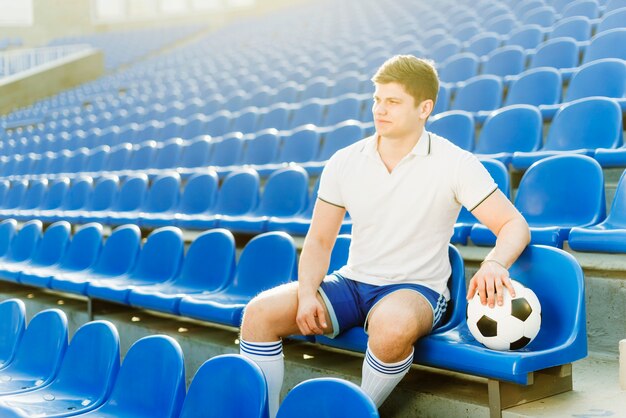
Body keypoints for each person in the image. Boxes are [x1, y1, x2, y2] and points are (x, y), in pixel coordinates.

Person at [239, 55, 530, 416]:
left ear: (424, 108)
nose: (380, 109)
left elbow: (514, 225)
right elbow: (319, 241)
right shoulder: (346, 160)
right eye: (377, 99)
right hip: (352, 283)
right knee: (259, 313)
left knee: (391, 327)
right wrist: (308, 292)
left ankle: (355, 411)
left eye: (392, 102)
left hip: (416, 289)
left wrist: (494, 263)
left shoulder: (455, 163)